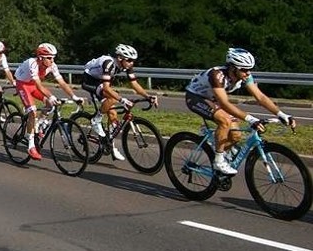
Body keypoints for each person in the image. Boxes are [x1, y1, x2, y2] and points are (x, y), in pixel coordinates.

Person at [185, 47, 296, 175]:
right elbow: (225, 103)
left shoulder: (244, 77)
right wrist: (250, 119)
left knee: (236, 136)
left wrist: (281, 114)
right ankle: (218, 162)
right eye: (244, 69)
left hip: (213, 99)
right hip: (196, 97)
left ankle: (216, 146)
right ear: (233, 68)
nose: (248, 73)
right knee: (225, 121)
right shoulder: (217, 75)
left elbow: (260, 97)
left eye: (250, 69)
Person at [81, 44, 159, 161]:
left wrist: (148, 96)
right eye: (130, 60)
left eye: (133, 60)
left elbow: (134, 84)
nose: (132, 63)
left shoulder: (126, 65)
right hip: (90, 80)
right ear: (120, 58)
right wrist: (122, 100)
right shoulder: (109, 63)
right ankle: (96, 119)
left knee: (113, 113)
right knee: (113, 98)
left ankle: (109, 142)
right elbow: (107, 89)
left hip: (101, 81)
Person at [14, 43, 85, 160]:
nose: (52, 61)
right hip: (23, 84)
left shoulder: (52, 65)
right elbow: (39, 86)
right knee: (32, 111)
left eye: (53, 58)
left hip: (33, 85)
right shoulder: (33, 63)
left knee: (49, 105)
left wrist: (74, 96)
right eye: (49, 58)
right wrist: (51, 96)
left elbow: (62, 83)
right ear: (41, 58)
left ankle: (38, 124)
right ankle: (31, 146)